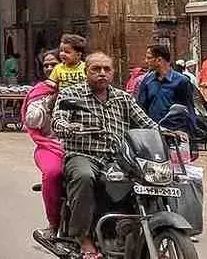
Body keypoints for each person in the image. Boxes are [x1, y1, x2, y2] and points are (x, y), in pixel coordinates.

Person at [53, 52, 158, 259]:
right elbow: (58, 121)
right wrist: (70, 127)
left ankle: (140, 230)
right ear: (86, 72)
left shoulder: (123, 98)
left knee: (148, 178)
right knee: (84, 177)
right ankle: (83, 238)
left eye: (106, 69)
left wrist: (167, 134)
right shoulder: (70, 95)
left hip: (119, 158)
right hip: (83, 155)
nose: (102, 73)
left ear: (112, 73)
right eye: (96, 69)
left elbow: (147, 124)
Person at [22, 50, 63, 243]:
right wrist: (49, 103)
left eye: (53, 64)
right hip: (50, 144)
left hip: (83, 144)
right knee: (53, 173)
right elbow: (32, 120)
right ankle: (53, 223)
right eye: (46, 65)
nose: (49, 69)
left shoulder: (82, 87)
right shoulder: (41, 91)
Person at [136, 43, 196, 131]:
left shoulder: (181, 81)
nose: (146, 61)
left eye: (149, 58)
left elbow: (189, 109)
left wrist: (191, 133)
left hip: (176, 134)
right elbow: (140, 108)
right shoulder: (147, 81)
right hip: (153, 133)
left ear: (159, 60)